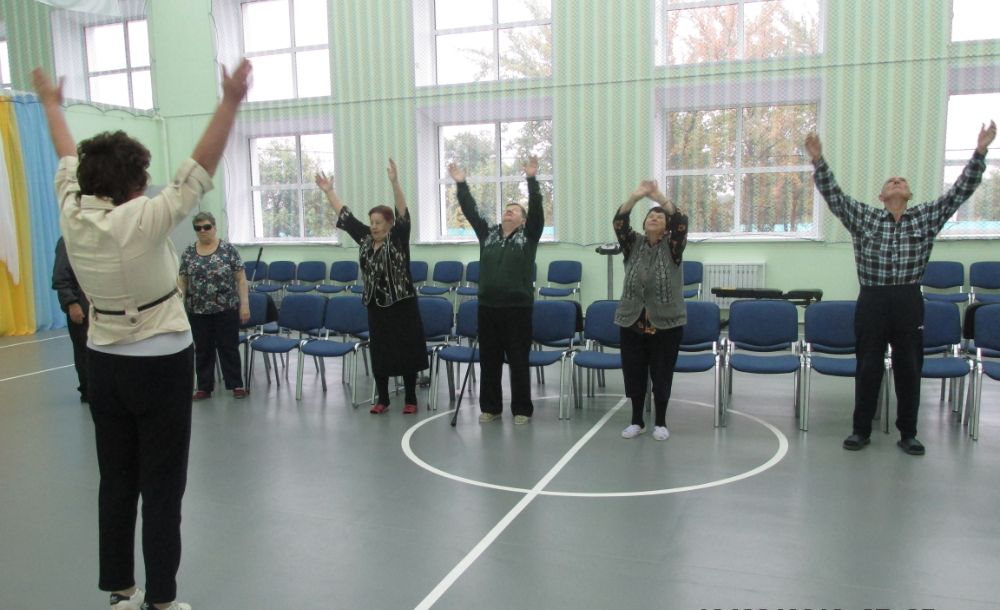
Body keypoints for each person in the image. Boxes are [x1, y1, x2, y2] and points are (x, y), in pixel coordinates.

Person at [34, 58, 251, 610]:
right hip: (160, 364)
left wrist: (53, 106)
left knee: (116, 481)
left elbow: (65, 155)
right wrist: (229, 102)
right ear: (133, 186)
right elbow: (198, 169)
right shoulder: (143, 218)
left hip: (104, 362)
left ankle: (121, 590)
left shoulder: (71, 212)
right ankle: (162, 599)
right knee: (162, 488)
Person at [806, 120, 996, 456]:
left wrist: (980, 152)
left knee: (909, 367)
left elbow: (959, 192)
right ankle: (860, 430)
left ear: (908, 195)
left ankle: (908, 433)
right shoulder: (864, 217)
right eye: (891, 181)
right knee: (868, 366)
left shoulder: (926, 217)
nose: (897, 181)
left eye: (902, 181)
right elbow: (835, 196)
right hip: (873, 300)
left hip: (908, 300)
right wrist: (818, 160)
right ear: (881, 197)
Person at [315, 159, 428, 414]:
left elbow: (402, 211)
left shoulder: (398, 239)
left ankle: (410, 398)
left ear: (389, 224)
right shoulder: (366, 239)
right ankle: (383, 398)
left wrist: (395, 183)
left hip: (402, 305)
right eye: (372, 222)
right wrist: (329, 191)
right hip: (376, 306)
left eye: (378, 222)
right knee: (380, 351)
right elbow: (345, 216)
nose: (374, 226)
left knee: (406, 350)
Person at [448, 157, 543, 425]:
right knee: (489, 360)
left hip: (518, 309)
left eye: (514, 210)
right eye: (507, 209)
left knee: (518, 361)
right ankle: (491, 407)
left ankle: (522, 409)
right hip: (488, 308)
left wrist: (532, 179)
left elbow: (537, 211)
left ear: (523, 220)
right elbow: (471, 211)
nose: (508, 212)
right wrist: (461, 184)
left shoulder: (529, 236)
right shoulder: (488, 234)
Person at [613, 181, 688, 441]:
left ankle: (661, 422)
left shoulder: (674, 246)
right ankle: (636, 421)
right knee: (634, 372)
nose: (654, 218)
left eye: (660, 217)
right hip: (631, 321)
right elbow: (619, 222)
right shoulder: (632, 243)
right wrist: (635, 197)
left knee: (661, 373)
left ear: (667, 227)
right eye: (651, 216)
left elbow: (681, 220)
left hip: (666, 323)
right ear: (644, 223)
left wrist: (658, 197)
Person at [178, 211, 250, 400]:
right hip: (197, 310)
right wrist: (179, 304)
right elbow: (183, 280)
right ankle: (204, 387)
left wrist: (245, 305)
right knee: (202, 349)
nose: (202, 231)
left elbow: (241, 279)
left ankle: (236, 384)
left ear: (214, 227)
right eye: (198, 228)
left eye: (206, 227)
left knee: (229, 347)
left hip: (225, 308)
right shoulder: (188, 252)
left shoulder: (228, 250)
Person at [52, 236, 90, 403]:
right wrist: (71, 303)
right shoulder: (67, 241)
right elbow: (61, 278)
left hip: (101, 306)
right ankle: (88, 390)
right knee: (84, 351)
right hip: (81, 305)